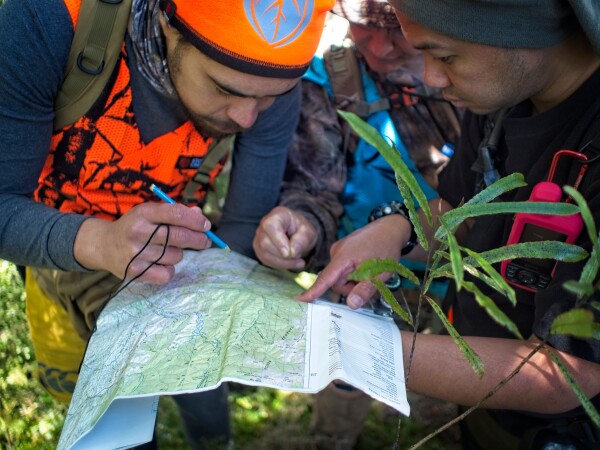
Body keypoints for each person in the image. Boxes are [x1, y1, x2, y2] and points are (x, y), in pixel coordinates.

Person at [0, 0, 333, 448]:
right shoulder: (49, 22)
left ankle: (213, 437)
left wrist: (265, 241)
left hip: (177, 253)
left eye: (272, 97)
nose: (247, 117)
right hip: (65, 237)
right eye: (224, 88)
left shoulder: (264, 81)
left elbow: (242, 223)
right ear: (166, 21)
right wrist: (101, 241)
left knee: (194, 367)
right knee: (117, 409)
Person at [273, 0, 600, 449]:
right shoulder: (502, 100)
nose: (430, 78)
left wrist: (348, 346)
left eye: (445, 56)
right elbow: (460, 208)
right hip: (484, 401)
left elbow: (564, 371)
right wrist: (397, 229)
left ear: (524, 29)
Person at [252, 0, 461, 447]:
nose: (384, 46)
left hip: (466, 271)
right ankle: (333, 437)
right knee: (348, 370)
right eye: (367, 27)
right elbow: (314, 185)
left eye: (402, 29)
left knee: (462, 365)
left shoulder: (473, 73)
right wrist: (301, 223)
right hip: (362, 275)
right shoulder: (328, 80)